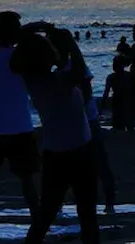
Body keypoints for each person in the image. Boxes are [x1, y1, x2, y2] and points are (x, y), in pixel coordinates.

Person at [9, 31, 102, 244]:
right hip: (80, 151)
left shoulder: (33, 81)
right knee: (86, 211)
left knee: (46, 212)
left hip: (54, 153)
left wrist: (39, 29)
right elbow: (81, 71)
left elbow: (29, 54)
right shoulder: (62, 79)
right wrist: (71, 44)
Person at [49, 28, 118, 214]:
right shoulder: (60, 71)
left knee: (98, 162)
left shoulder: (73, 68)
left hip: (87, 120)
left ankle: (109, 202)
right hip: (76, 121)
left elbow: (86, 93)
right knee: (71, 164)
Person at [0, 12, 41, 218]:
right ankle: (37, 219)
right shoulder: (23, 58)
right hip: (20, 126)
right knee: (27, 179)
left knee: (27, 179)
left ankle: (37, 217)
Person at [102, 56, 134, 132]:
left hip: (121, 101)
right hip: (123, 101)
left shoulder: (112, 77)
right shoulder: (128, 76)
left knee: (122, 124)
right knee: (127, 124)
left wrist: (103, 104)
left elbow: (106, 92)